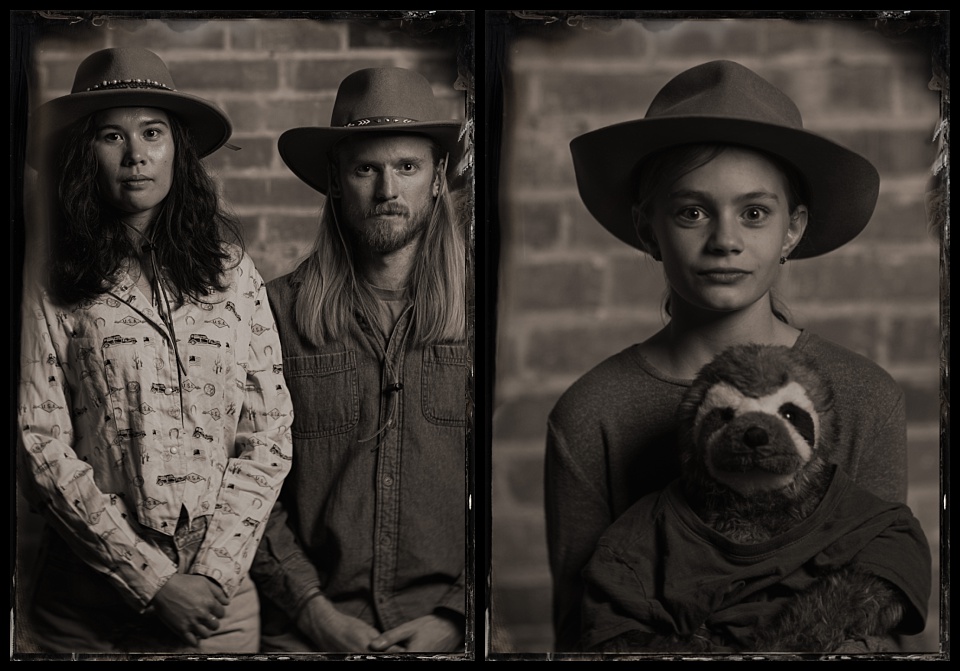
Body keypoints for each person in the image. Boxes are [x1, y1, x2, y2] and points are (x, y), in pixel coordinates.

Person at [544, 60, 909, 652]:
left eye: (755, 213)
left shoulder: (865, 395)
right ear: (647, 226)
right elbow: (581, 629)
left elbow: (890, 599)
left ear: (792, 230)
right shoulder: (591, 414)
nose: (725, 239)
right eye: (692, 211)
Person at [16, 47, 294, 654]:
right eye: (112, 135)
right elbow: (39, 442)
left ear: (178, 150)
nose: (136, 154)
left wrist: (211, 574)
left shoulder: (231, 272)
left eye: (153, 133)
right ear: (83, 153)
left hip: (217, 610)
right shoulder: (45, 281)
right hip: (88, 609)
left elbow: (268, 433)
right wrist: (151, 579)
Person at [249, 67, 470, 654]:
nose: (387, 191)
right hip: (305, 628)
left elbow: (507, 486)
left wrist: (458, 618)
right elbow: (247, 484)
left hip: (450, 629)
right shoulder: (273, 311)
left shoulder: (481, 318)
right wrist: (314, 614)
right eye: (365, 168)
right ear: (336, 181)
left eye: (407, 167)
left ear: (438, 177)